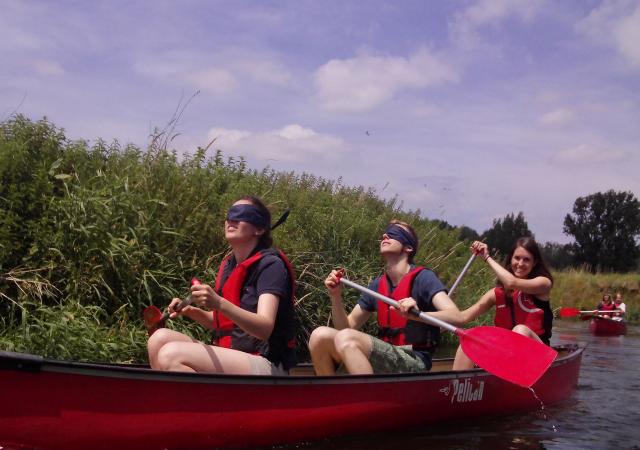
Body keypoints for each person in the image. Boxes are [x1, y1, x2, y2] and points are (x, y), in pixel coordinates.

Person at [147, 196, 297, 375]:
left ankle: (203, 402)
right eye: (229, 215)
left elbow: (264, 328)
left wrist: (218, 303)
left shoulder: (271, 266)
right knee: (158, 339)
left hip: (267, 363)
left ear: (260, 228)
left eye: (241, 215)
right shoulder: (229, 265)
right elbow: (221, 323)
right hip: (235, 357)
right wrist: (190, 311)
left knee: (171, 355)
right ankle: (169, 400)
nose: (231, 220)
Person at [308, 220, 464, 375]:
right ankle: (333, 395)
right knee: (319, 336)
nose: (385, 236)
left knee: (347, 338)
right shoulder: (378, 285)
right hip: (386, 358)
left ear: (408, 247)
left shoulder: (424, 278)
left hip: (414, 360)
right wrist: (335, 296)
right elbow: (345, 329)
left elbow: (455, 316)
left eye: (393, 234)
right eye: (385, 233)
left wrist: (417, 315)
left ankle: (369, 396)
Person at [452, 237, 554, 371]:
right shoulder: (496, 294)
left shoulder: (543, 283)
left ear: (534, 263)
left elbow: (511, 282)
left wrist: (486, 257)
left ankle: (507, 375)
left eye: (526, 259)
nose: (520, 263)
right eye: (517, 258)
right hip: (506, 355)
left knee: (520, 330)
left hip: (539, 356)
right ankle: (458, 387)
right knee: (470, 338)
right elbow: (462, 317)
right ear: (511, 259)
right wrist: (422, 315)